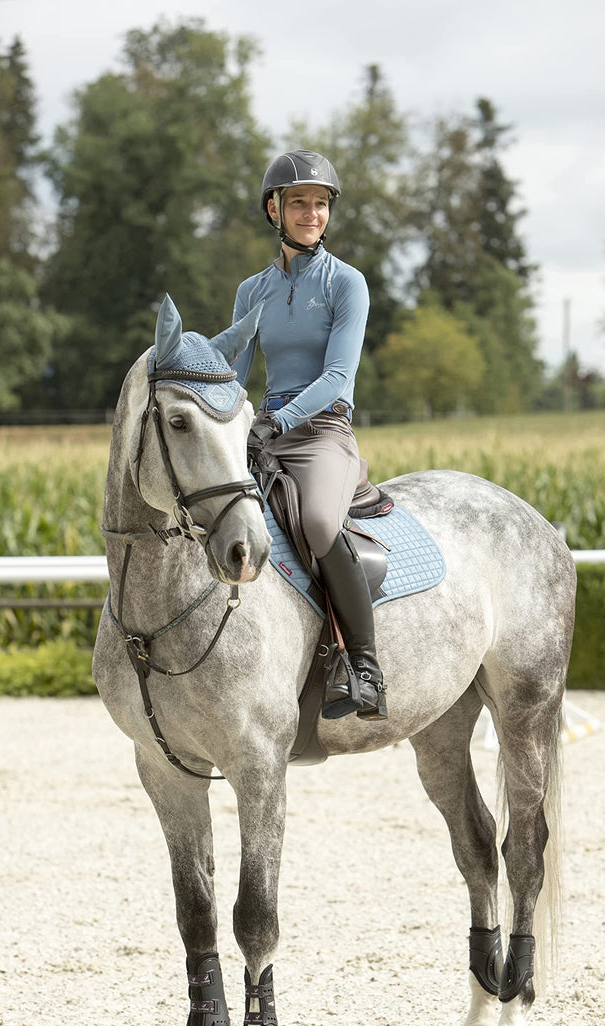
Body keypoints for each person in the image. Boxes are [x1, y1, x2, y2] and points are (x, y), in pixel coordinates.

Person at [231, 149, 387, 721]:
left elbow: (339, 377)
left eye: (320, 204)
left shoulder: (347, 283)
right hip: (263, 436)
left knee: (320, 522)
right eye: (299, 203)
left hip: (323, 434)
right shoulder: (252, 292)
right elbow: (235, 372)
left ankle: (365, 668)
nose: (312, 214)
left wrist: (280, 419)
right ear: (274, 210)